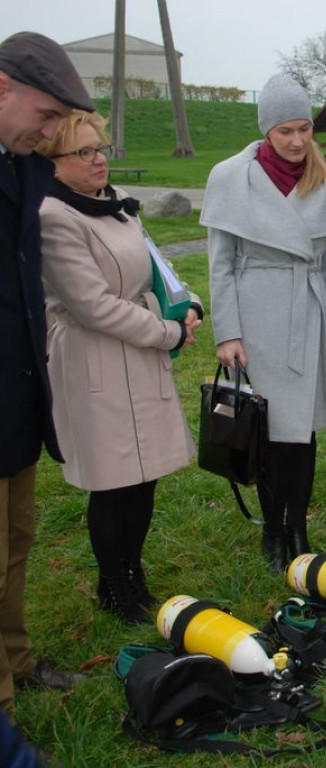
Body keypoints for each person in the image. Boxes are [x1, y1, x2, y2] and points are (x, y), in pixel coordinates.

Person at [38, 110, 201, 624]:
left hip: (140, 351)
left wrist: (188, 300)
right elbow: (92, 304)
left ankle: (133, 574)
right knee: (114, 481)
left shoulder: (117, 208)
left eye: (100, 148)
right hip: (98, 357)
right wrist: (168, 330)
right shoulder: (55, 216)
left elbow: (155, 266)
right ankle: (113, 585)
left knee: (144, 473)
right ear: (54, 163)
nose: (98, 159)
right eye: (83, 152)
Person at [202, 73, 326, 572]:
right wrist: (227, 331)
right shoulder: (231, 178)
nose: (296, 141)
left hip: (308, 314)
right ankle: (272, 527)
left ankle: (298, 527)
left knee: (302, 434)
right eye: (285, 130)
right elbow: (220, 262)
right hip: (256, 316)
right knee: (264, 431)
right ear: (267, 130)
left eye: (304, 129)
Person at [0, 31, 91, 717]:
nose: (53, 129)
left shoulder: (22, 168)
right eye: (47, 113)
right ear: (3, 87)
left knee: (18, 537)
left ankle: (15, 658)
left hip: (18, 392)